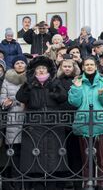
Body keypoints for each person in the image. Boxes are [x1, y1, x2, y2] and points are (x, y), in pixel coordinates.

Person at [16, 56, 68, 190]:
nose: (41, 71)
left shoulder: (55, 82)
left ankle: (52, 184)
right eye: (38, 68)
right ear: (34, 71)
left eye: (43, 68)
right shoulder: (30, 83)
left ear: (48, 70)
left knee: (53, 155)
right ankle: (37, 184)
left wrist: (55, 92)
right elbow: (20, 97)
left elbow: (63, 98)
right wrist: (27, 85)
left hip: (53, 122)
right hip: (34, 124)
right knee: (35, 154)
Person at [68, 56, 103, 190]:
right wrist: (77, 89)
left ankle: (102, 183)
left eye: (91, 64)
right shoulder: (77, 82)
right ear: (83, 67)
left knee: (102, 157)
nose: (89, 67)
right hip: (84, 124)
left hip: (100, 124)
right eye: (86, 65)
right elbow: (74, 102)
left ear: (96, 67)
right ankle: (87, 182)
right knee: (86, 158)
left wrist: (102, 94)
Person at [0, 55, 28, 188]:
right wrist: (7, 103)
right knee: (13, 152)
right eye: (17, 63)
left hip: (28, 118)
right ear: (13, 65)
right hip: (12, 118)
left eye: (22, 62)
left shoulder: (30, 78)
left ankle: (26, 183)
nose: (20, 65)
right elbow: (2, 99)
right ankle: (14, 183)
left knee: (28, 151)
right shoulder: (7, 79)